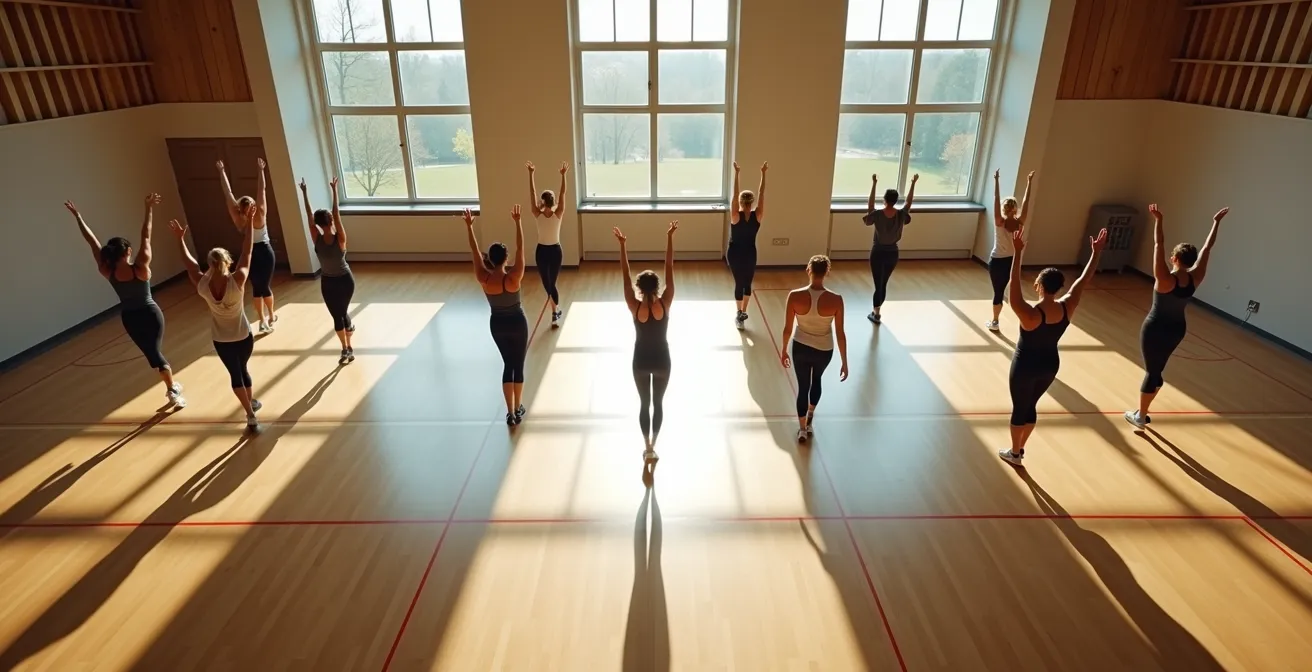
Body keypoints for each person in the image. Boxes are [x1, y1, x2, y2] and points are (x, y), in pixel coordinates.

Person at [1000, 227, 1108, 466]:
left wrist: (1018, 253)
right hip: (1050, 365)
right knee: (1031, 406)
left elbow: (1013, 284)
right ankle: (1020, 449)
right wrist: (1096, 253)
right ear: (1060, 287)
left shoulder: (1029, 313)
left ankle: (1015, 453)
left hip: (1025, 366)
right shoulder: (1067, 306)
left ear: (1038, 284)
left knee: (1020, 407)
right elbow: (1084, 279)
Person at [65, 195, 185, 408]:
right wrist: (148, 208)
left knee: (153, 354)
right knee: (155, 353)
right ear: (128, 251)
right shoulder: (140, 267)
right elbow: (146, 235)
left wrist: (78, 217)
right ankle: (172, 389)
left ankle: (172, 387)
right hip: (150, 314)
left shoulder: (107, 269)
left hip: (130, 318)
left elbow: (92, 242)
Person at [1125, 204, 1229, 429]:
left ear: (1174, 258)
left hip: (1155, 328)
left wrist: (1159, 220)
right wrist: (1216, 222)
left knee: (1152, 372)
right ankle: (1143, 408)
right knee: (1157, 370)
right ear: (1191, 261)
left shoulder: (1164, 278)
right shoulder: (1196, 277)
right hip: (1177, 329)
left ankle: (1140, 416)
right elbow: (1207, 248)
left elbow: (1158, 244)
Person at [169, 211, 262, 430]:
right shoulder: (237, 280)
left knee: (234, 374)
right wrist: (249, 222)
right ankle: (251, 406)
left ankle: (249, 412)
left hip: (222, 340)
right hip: (243, 336)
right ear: (228, 262)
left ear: (210, 264)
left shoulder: (202, 285)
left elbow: (190, 264)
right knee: (244, 370)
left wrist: (180, 239)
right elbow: (248, 250)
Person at [614, 221, 677, 464]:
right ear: (658, 287)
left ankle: (647, 446)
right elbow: (669, 266)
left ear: (639, 288)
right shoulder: (666, 302)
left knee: (644, 404)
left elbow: (623, 273)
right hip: (663, 360)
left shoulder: (634, 305)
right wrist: (669, 237)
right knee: (658, 404)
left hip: (640, 361)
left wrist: (623, 246)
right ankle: (655, 445)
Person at [464, 206, 529, 425]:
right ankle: (519, 407)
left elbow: (474, 251)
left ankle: (509, 412)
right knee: (518, 366)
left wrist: (469, 227)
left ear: (490, 259)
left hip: (497, 324)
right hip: (517, 322)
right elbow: (521, 248)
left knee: (507, 365)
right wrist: (518, 222)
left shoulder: (483, 277)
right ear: (506, 258)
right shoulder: (514, 277)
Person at [780, 255, 849, 442]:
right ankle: (811, 415)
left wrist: (784, 349)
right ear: (827, 272)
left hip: (800, 347)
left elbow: (787, 329)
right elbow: (841, 334)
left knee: (803, 386)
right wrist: (844, 362)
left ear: (808, 270)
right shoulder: (836, 300)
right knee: (816, 379)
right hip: (824, 350)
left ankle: (802, 429)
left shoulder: (794, 296)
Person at [300, 176, 357, 366]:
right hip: (333, 282)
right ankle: (346, 347)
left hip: (341, 281)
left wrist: (305, 193)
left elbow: (328, 215)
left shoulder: (334, 237)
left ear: (319, 223)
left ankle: (346, 347)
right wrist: (330, 191)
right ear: (328, 221)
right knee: (339, 315)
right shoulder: (333, 237)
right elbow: (331, 215)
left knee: (340, 313)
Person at [217, 158, 277, 333]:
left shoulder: (238, 218)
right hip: (264, 252)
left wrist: (222, 172)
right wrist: (260, 171)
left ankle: (264, 318)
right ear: (252, 207)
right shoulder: (260, 214)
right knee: (264, 286)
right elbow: (261, 190)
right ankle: (269, 316)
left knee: (257, 287)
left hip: (249, 254)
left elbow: (227, 193)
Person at [863, 172, 918, 324]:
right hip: (892, 253)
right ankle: (877, 312)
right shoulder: (900, 215)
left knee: (877, 284)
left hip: (878, 252)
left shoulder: (878, 214)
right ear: (895, 201)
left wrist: (874, 183)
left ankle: (876, 313)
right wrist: (913, 183)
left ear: (885, 199)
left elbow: (870, 206)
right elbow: (909, 202)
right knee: (883, 283)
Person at [987, 169, 1034, 331]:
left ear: (1004, 209)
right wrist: (1029, 183)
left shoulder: (999, 221)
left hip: (997, 261)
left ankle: (995, 321)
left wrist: (997, 180)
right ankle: (1014, 318)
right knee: (1007, 291)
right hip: (1012, 261)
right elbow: (1027, 203)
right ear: (1015, 209)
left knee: (998, 292)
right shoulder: (1020, 222)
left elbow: (996, 199)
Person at [527, 161, 570, 328]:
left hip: (555, 251)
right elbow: (532, 193)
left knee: (551, 283)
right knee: (547, 283)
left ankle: (554, 313)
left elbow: (563, 194)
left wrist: (563, 175)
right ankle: (555, 309)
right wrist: (531, 174)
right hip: (542, 252)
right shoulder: (538, 214)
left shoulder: (557, 214)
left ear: (544, 201)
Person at [728, 160, 767, 329]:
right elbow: (762, 193)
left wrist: (737, 174)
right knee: (745, 283)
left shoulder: (735, 216)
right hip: (746, 253)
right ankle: (740, 314)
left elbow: (735, 195)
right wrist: (763, 173)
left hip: (739, 252)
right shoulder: (757, 216)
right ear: (750, 203)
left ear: (741, 203)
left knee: (742, 283)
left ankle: (741, 314)